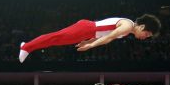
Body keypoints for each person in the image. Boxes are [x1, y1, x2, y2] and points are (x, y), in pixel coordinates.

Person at [18, 14, 161, 63]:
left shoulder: (127, 30)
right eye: (147, 35)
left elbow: (106, 37)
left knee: (55, 40)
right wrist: (91, 46)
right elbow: (109, 37)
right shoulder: (128, 26)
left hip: (88, 33)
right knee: (55, 37)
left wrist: (89, 41)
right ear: (142, 27)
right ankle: (26, 47)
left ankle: (28, 46)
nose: (145, 38)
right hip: (87, 28)